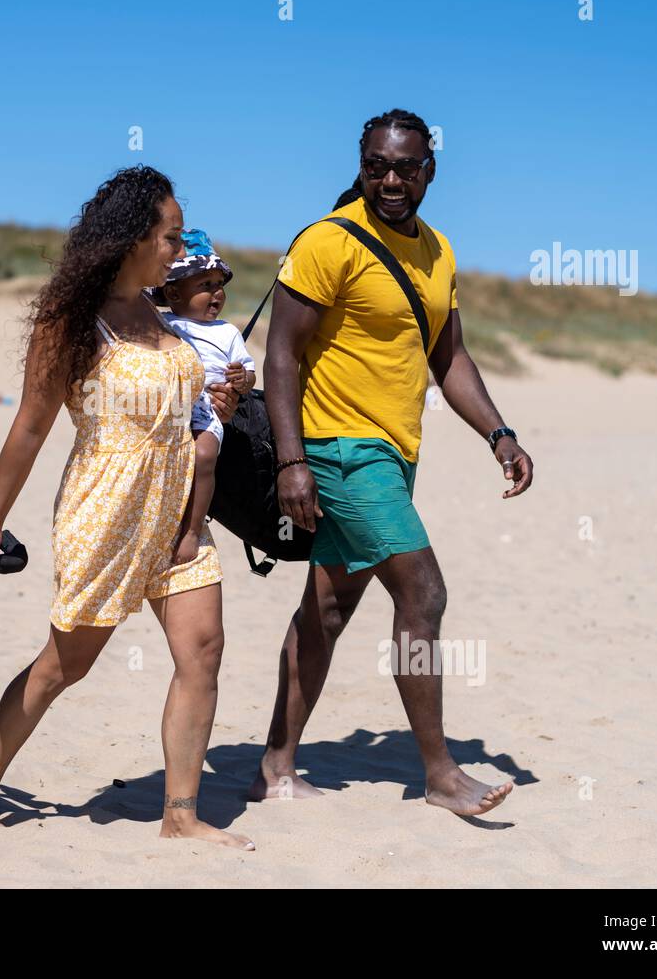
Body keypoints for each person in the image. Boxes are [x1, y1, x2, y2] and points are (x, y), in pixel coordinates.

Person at [0, 165, 254, 850]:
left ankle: (180, 814)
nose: (180, 253)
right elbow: (30, 426)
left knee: (202, 650)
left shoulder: (162, 314)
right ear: (131, 238)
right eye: (171, 237)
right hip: (109, 508)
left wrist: (218, 406)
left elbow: (180, 411)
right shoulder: (73, 323)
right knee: (66, 663)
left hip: (178, 510)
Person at [249, 109, 533, 816]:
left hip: (394, 452)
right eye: (377, 164)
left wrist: (499, 433)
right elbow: (280, 354)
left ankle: (275, 767)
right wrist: (292, 460)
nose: (391, 180)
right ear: (361, 163)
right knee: (424, 592)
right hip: (339, 448)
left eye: (407, 167)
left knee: (326, 609)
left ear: (430, 171)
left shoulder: (437, 252)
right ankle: (439, 773)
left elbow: (449, 356)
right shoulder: (329, 241)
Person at [152, 230, 255, 566]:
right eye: (205, 285)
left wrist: (242, 380)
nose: (217, 293)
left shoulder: (227, 332)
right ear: (173, 292)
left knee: (204, 453)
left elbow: (249, 373)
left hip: (206, 408)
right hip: (167, 408)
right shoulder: (162, 323)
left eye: (219, 283)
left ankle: (193, 529)